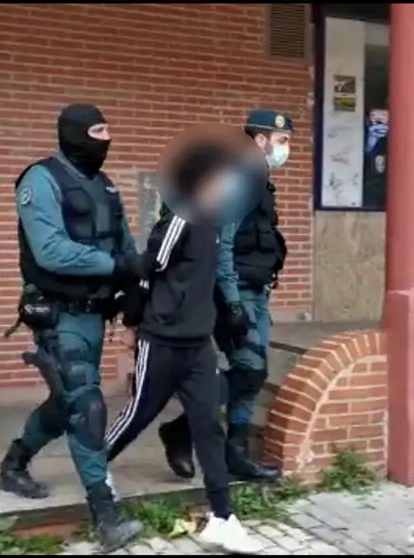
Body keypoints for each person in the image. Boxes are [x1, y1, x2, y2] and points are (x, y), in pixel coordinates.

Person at [0, 103, 149, 551]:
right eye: (99, 130)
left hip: (94, 315)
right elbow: (50, 251)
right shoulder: (39, 180)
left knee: (67, 401)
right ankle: (106, 513)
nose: (107, 139)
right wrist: (118, 266)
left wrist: (133, 288)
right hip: (57, 314)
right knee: (87, 405)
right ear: (75, 134)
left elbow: (127, 249)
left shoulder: (105, 185)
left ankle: (14, 462)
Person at [104, 143, 263, 554]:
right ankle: (95, 467)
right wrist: (132, 323)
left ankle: (223, 517)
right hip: (162, 341)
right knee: (139, 413)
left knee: (208, 425)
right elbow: (146, 271)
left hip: (198, 345)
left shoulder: (215, 221)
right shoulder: (182, 217)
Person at [158, 109, 290, 483]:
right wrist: (232, 302)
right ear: (259, 141)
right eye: (281, 141)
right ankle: (190, 433)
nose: (285, 149)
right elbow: (224, 246)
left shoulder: (259, 180)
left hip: (256, 292)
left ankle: (232, 450)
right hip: (237, 293)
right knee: (249, 369)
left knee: (252, 371)